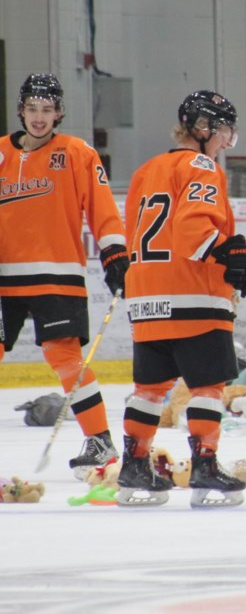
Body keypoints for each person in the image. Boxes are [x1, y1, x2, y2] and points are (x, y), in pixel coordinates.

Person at [118, 90, 246, 508]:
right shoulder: (202, 166)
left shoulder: (147, 169)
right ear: (202, 129)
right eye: (225, 132)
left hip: (147, 298)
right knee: (207, 387)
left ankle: (135, 466)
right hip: (193, 294)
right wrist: (230, 255)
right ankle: (206, 468)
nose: (226, 142)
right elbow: (193, 231)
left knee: (149, 389)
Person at [0, 73, 128, 477]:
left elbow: (102, 208)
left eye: (48, 110)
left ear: (59, 113)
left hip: (57, 275)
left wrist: (113, 253)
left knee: (66, 360)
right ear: (21, 110)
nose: (39, 118)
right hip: (4, 278)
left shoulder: (76, 153)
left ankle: (100, 441)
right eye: (33, 109)